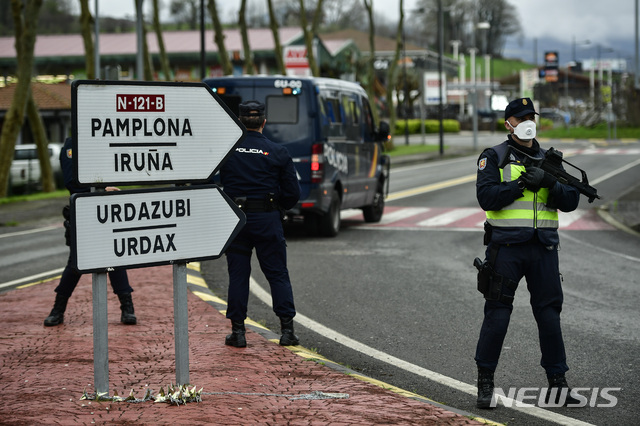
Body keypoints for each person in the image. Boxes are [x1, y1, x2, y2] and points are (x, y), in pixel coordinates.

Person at [473, 98, 581, 408]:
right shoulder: (494, 156)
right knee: (497, 315)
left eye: (529, 116)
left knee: (549, 315)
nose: (525, 122)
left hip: (543, 248)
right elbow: (487, 197)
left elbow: (571, 199)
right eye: (519, 118)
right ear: (508, 123)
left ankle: (558, 384)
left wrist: (549, 181)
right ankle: (485, 382)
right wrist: (521, 184)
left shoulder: (551, 159)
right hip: (505, 248)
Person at [219, 100, 301, 348]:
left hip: (237, 220)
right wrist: (277, 207)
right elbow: (292, 193)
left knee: (238, 275)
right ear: (264, 122)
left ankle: (238, 332)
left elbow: (215, 182)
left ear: (240, 122)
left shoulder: (226, 149)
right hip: (267, 219)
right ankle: (287, 331)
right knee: (277, 274)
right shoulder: (278, 152)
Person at [43, 137, 137, 327]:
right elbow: (72, 183)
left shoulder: (102, 141)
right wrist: (102, 189)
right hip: (84, 213)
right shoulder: (72, 145)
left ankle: (127, 308)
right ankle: (58, 310)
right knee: (76, 262)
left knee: (115, 257)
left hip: (109, 212)